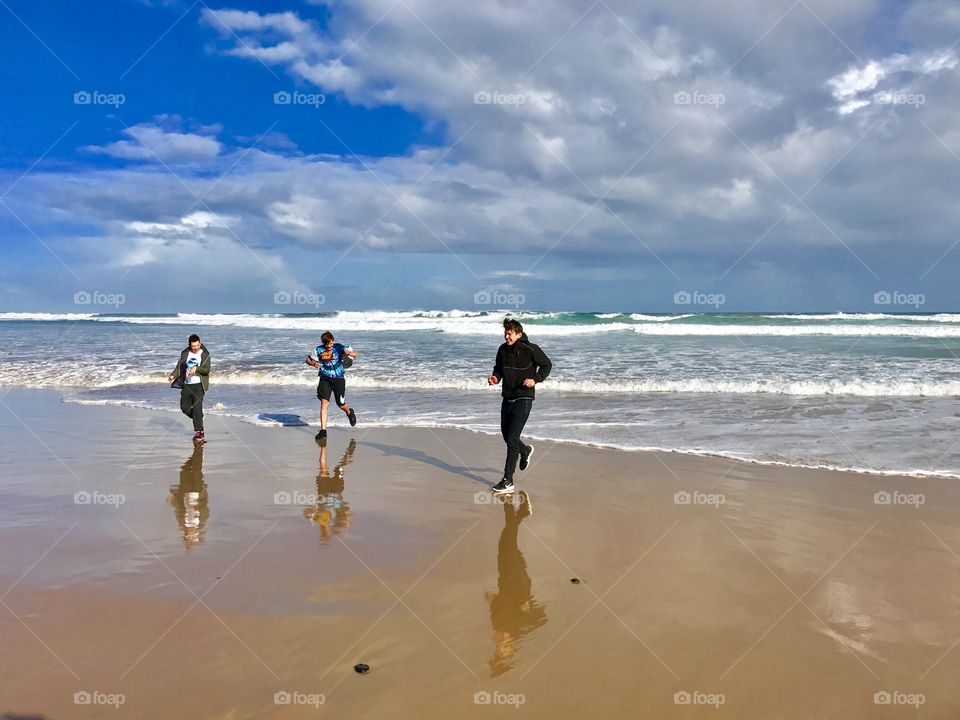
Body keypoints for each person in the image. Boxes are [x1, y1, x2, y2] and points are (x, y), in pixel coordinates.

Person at [484, 490, 546, 677]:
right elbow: (542, 619)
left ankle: (517, 510)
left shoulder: (498, 627)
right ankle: (510, 505)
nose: (499, 644)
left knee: (505, 541)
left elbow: (498, 607)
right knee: (507, 540)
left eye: (497, 650)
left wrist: (492, 600)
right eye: (503, 649)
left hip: (504, 576)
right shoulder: (518, 629)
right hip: (518, 579)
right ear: (511, 648)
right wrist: (526, 606)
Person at [487, 318, 552, 494]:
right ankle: (524, 451)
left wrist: (535, 380)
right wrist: (495, 378)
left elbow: (547, 365)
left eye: (509, 333)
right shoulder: (502, 350)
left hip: (524, 397)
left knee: (512, 437)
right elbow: (498, 369)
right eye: (505, 332)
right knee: (507, 436)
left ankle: (508, 480)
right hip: (507, 397)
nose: (506, 336)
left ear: (519, 334)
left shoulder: (530, 349)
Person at [306, 331, 358, 440]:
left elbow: (356, 354)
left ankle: (349, 411)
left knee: (340, 403)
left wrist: (349, 353)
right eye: (326, 344)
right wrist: (314, 363)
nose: (329, 346)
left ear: (333, 340)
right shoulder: (318, 350)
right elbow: (308, 360)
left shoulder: (339, 347)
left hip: (339, 379)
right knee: (324, 403)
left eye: (330, 343)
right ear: (323, 343)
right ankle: (323, 431)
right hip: (325, 378)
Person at [304, 438, 357, 543]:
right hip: (337, 490)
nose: (325, 532)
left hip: (323, 491)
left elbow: (306, 512)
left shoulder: (317, 520)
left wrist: (312, 513)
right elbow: (348, 516)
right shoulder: (336, 524)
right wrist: (346, 518)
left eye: (323, 533)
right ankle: (349, 453)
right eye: (325, 534)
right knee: (339, 468)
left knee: (322, 465)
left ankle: (323, 445)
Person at [167, 334, 211, 443]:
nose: (195, 348)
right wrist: (173, 375)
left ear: (200, 343)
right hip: (187, 385)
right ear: (189, 345)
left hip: (199, 385)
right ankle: (199, 417)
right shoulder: (185, 353)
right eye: (193, 346)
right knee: (184, 408)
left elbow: (206, 370)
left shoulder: (205, 354)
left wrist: (197, 368)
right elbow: (180, 367)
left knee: (197, 407)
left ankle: (199, 432)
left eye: (197, 345)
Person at [168, 444, 208, 549]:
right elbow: (205, 507)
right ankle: (199, 452)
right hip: (197, 491)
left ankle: (197, 454)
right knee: (196, 471)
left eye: (187, 536)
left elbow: (178, 508)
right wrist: (197, 507)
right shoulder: (201, 521)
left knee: (184, 471)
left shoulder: (182, 522)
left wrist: (173, 496)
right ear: (195, 534)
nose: (189, 534)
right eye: (191, 536)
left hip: (185, 491)